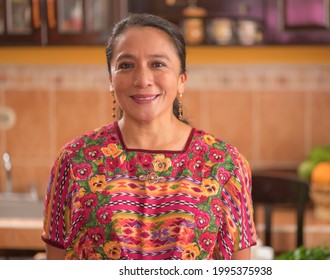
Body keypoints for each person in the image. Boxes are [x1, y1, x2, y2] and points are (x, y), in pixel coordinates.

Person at [41, 13, 257, 260]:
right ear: (110, 80)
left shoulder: (225, 163)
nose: (142, 80)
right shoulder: (74, 160)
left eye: (158, 64)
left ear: (181, 80)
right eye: (126, 65)